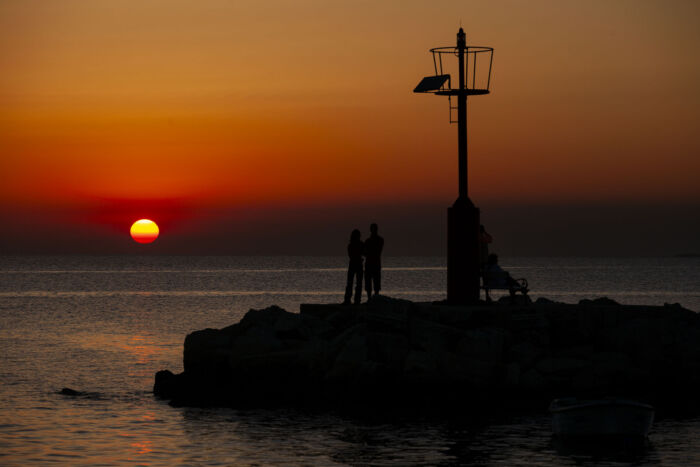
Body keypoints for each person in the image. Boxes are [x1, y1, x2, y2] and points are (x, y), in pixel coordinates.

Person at [363, 223, 384, 300]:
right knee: (371, 282)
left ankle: (373, 298)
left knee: (375, 282)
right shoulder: (377, 240)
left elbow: (367, 252)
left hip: (372, 263)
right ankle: (372, 298)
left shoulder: (369, 241)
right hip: (372, 264)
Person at [344, 229, 364, 305]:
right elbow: (363, 253)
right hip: (356, 264)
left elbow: (351, 255)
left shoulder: (351, 245)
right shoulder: (357, 244)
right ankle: (355, 300)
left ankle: (350, 299)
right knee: (355, 283)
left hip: (354, 264)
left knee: (352, 283)